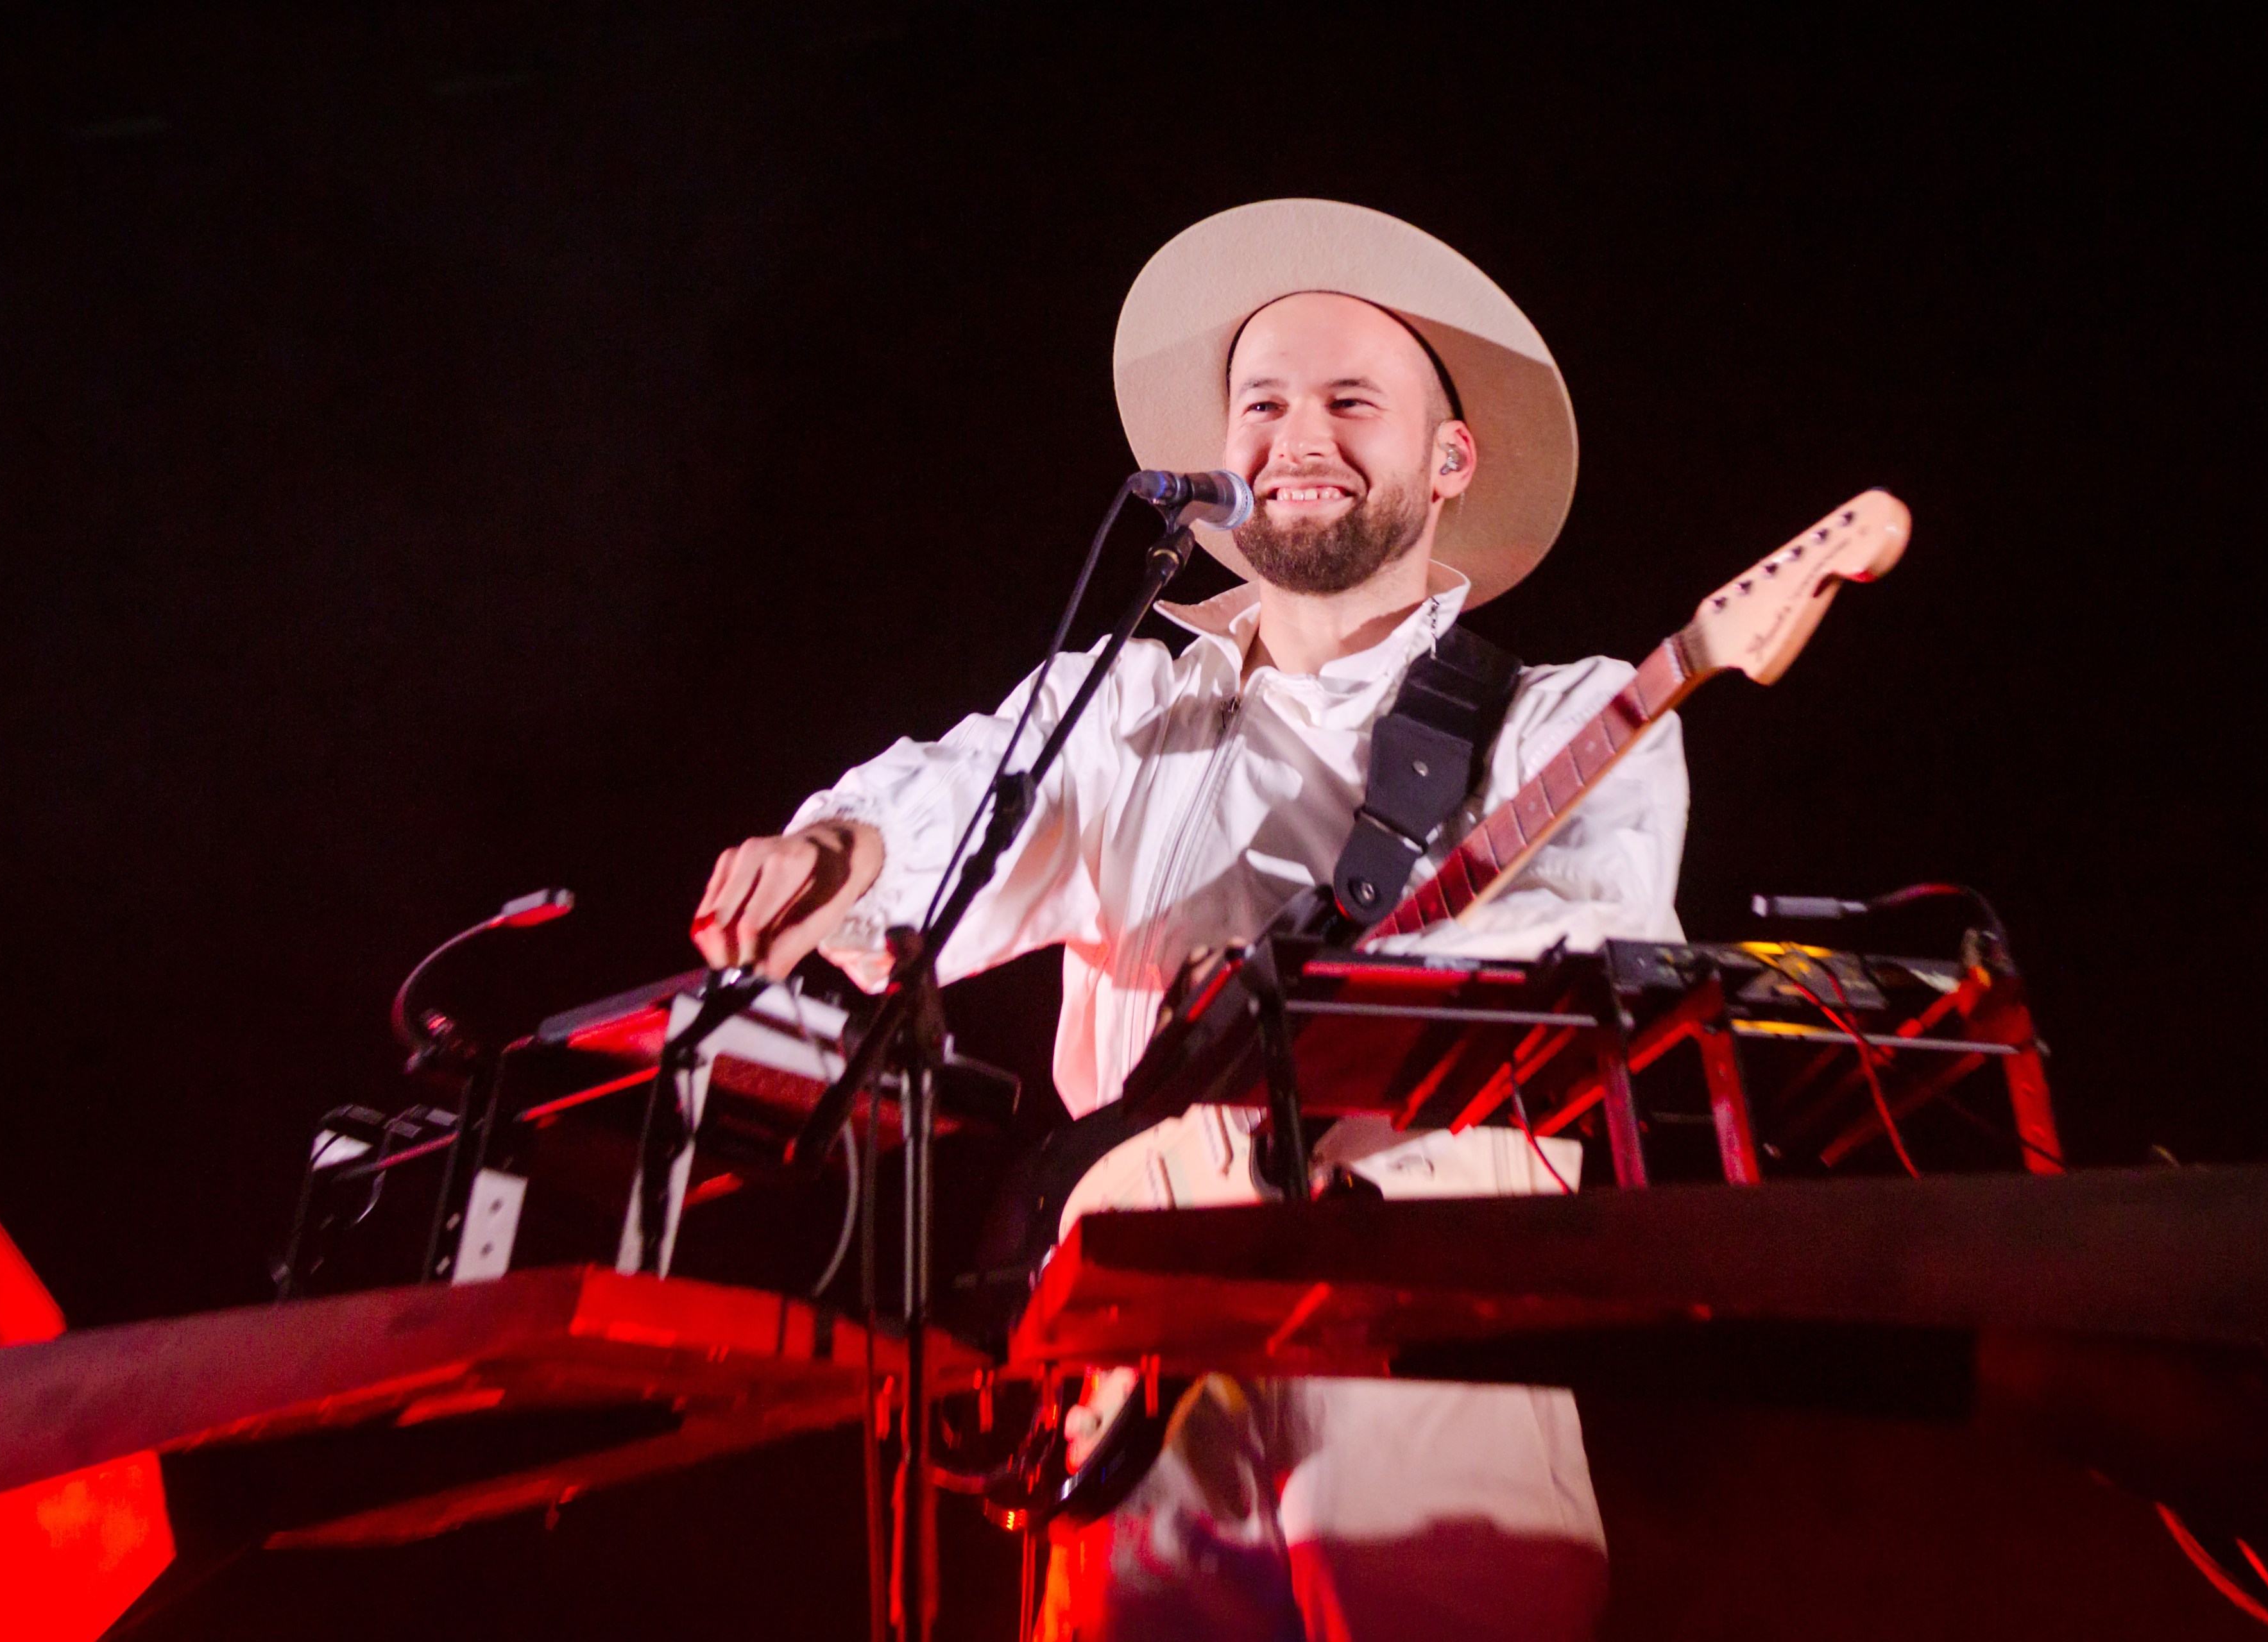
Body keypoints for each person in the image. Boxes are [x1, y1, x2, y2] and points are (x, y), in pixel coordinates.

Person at [692, 199, 1687, 1642]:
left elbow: (1594, 948)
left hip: (1421, 1310)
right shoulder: (1130, 707)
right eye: (1265, 402)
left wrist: (1312, 1017)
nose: (1298, 437)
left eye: (1354, 400)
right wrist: (828, 853)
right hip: (1137, 1326)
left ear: (1450, 458)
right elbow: (953, 802)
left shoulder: (1570, 718)